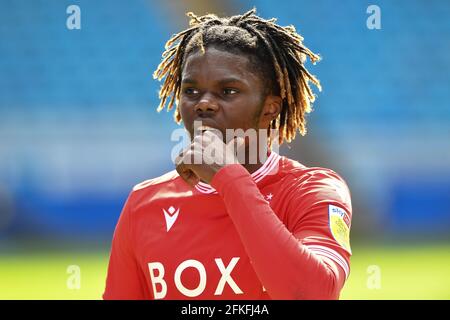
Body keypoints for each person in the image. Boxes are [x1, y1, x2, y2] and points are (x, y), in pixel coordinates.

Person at [103, 8, 352, 300]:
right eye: (191, 91)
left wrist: (228, 178)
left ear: (269, 108)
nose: (204, 104)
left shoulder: (312, 190)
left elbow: (311, 294)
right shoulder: (143, 203)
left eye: (228, 91)